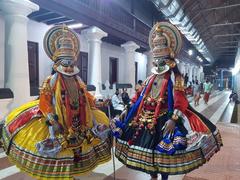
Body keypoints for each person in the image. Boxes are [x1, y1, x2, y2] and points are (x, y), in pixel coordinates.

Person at [111, 22, 222, 180]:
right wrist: (126, 110)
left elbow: (181, 101)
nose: (158, 63)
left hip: (165, 119)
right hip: (145, 120)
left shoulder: (175, 78)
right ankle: (153, 177)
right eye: (156, 60)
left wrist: (173, 119)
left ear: (169, 59)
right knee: (149, 155)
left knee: (165, 156)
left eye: (161, 60)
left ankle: (164, 178)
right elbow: (138, 97)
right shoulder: (150, 78)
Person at [2, 25, 111, 179]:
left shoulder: (78, 80)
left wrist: (98, 103)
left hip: (79, 118)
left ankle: (71, 174)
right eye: (65, 64)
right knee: (59, 151)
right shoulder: (51, 81)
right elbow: (45, 102)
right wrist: (52, 119)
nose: (68, 68)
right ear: (57, 64)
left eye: (71, 64)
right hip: (58, 119)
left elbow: (86, 96)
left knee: (79, 148)